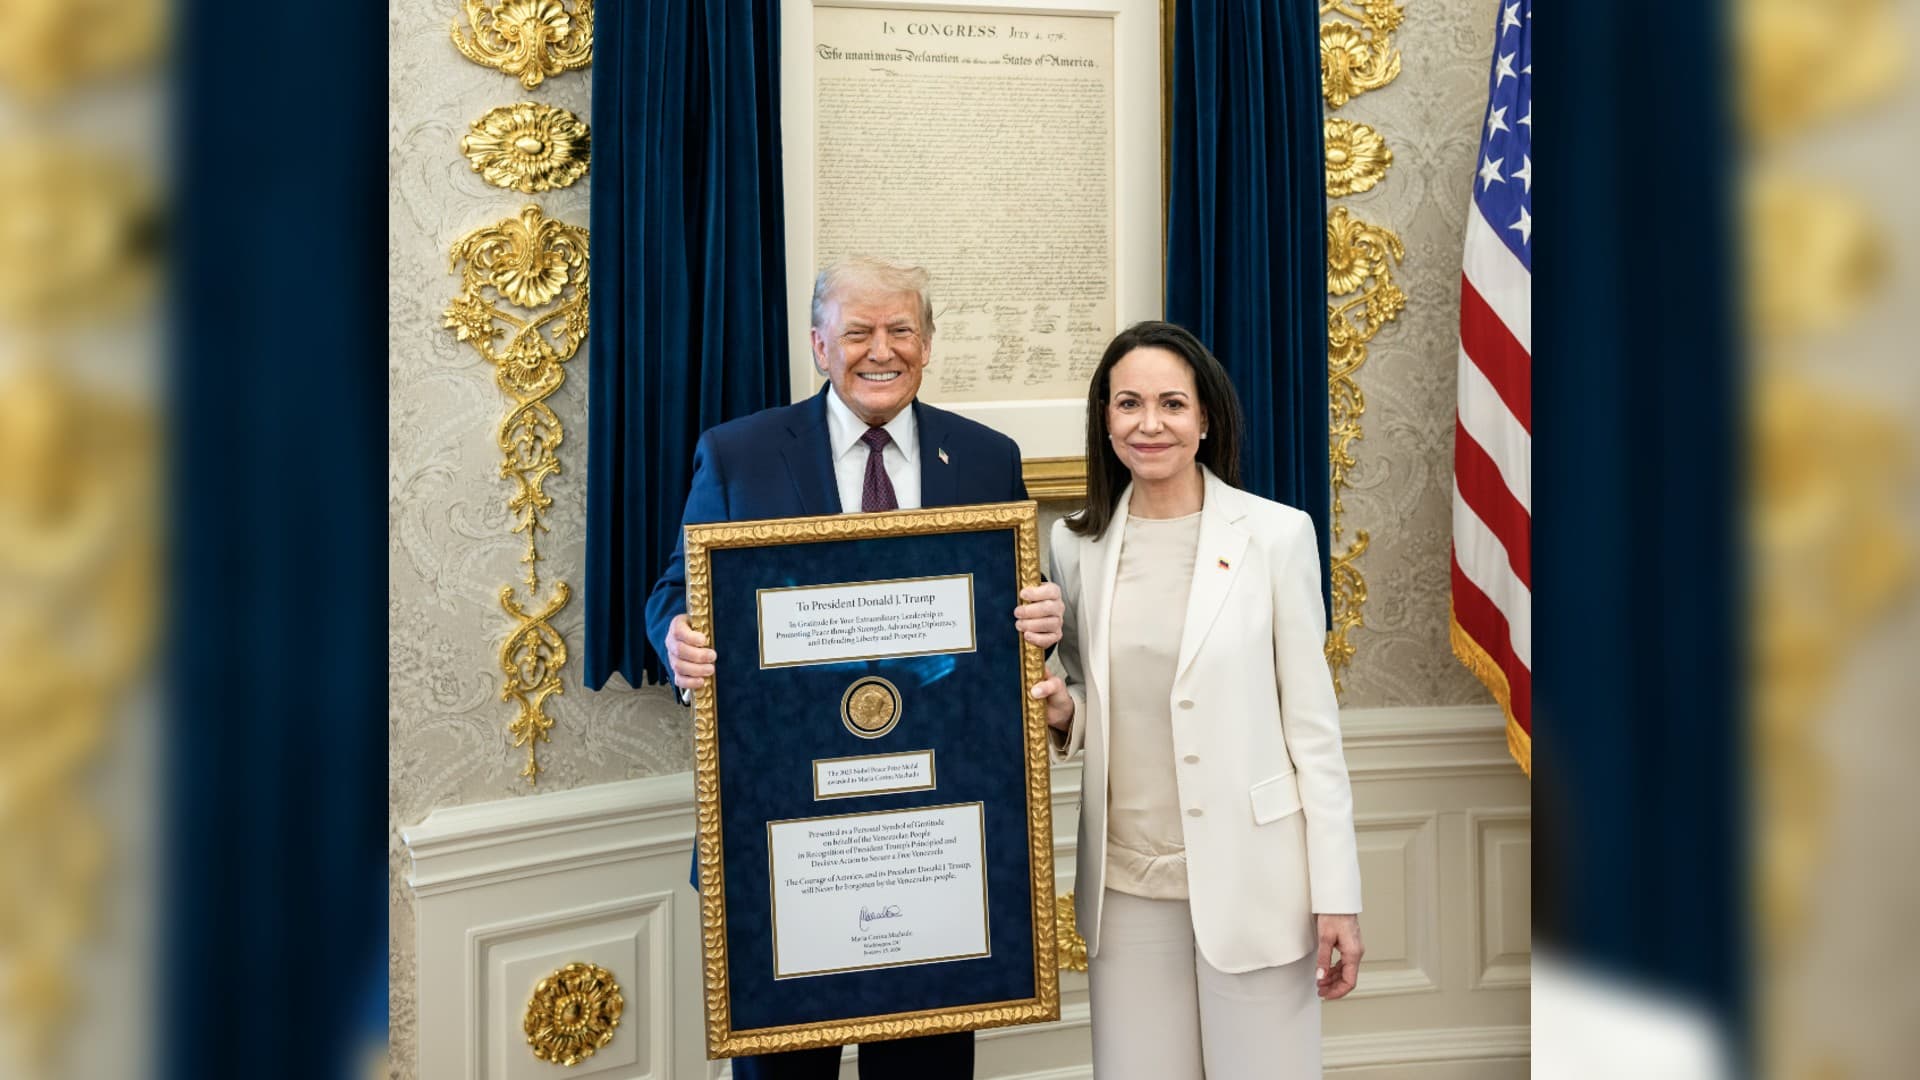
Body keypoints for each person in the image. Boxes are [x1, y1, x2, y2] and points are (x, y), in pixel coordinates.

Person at [645, 255, 1065, 1080]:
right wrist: (678, 636)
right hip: (784, 821)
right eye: (860, 332)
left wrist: (1043, 623)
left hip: (937, 820)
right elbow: (675, 592)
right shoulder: (740, 453)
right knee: (783, 1069)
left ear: (928, 343)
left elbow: (1004, 624)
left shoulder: (985, 457)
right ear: (818, 344)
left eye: (902, 330)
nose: (883, 351)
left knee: (926, 1065)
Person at [1029, 321, 1364, 1079]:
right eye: (1129, 404)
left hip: (1258, 882)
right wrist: (1062, 712)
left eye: (1172, 404)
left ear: (1205, 418)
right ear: (1105, 420)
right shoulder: (1074, 547)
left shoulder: (1276, 536)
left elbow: (1313, 731)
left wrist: (1337, 897)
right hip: (1126, 887)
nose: (1150, 424)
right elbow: (1086, 688)